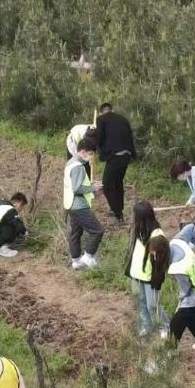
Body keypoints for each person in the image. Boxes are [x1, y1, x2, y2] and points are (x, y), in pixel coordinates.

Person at [127, 201, 168, 339]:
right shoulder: (139, 229)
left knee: (152, 305)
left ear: (142, 217)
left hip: (150, 277)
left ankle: (164, 327)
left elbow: (161, 263)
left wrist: (157, 279)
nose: (133, 218)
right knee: (141, 303)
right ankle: (147, 326)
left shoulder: (157, 235)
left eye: (135, 215)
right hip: (136, 274)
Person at [63, 136, 103, 270]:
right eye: (91, 154)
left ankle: (75, 261)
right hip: (79, 206)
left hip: (70, 205)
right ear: (84, 151)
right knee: (97, 231)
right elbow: (77, 188)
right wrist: (93, 188)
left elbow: (76, 184)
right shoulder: (78, 167)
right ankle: (88, 256)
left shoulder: (70, 163)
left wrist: (90, 184)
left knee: (75, 232)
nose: (91, 157)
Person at [95, 103, 136, 225]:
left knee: (107, 185)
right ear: (112, 110)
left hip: (115, 156)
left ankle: (116, 213)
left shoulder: (101, 119)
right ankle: (119, 212)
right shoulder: (123, 119)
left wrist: (97, 148)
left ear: (101, 112)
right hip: (127, 155)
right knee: (117, 183)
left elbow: (99, 138)